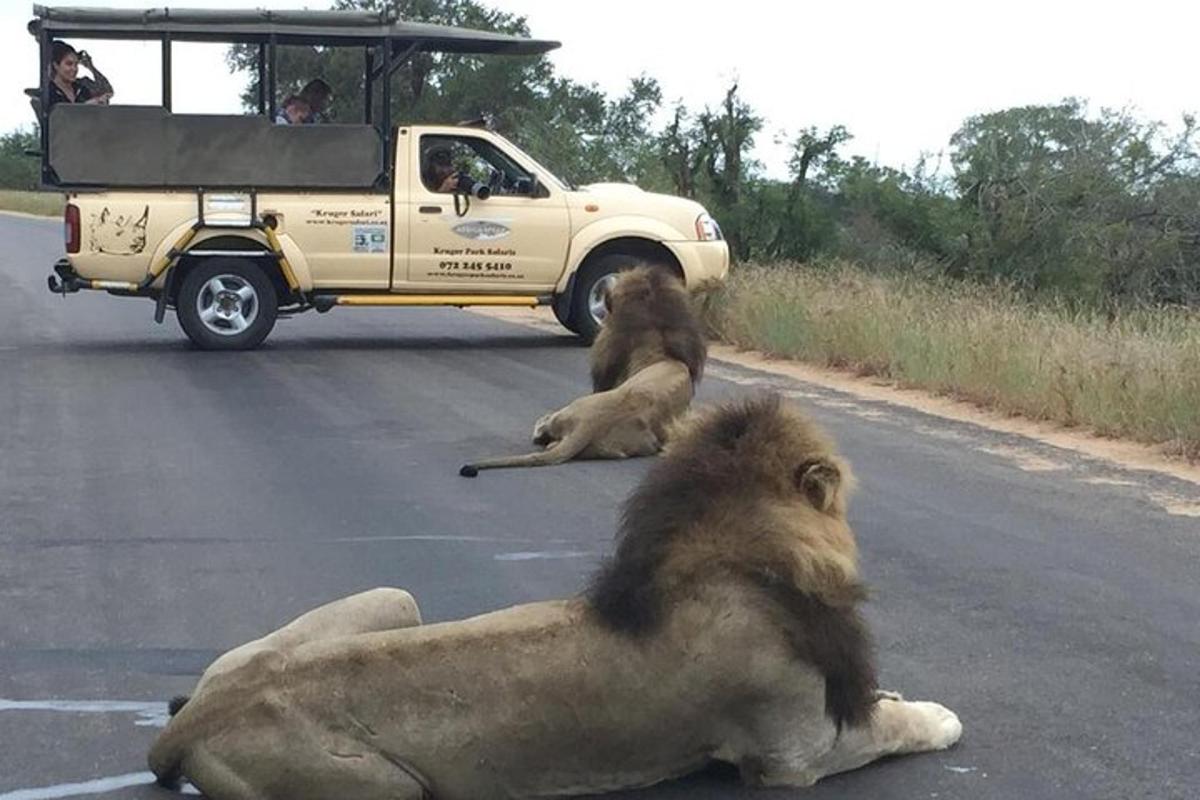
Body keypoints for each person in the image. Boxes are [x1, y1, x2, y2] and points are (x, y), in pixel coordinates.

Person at [47, 40, 113, 108]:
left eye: (76, 64)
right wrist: (84, 106)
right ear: (56, 65)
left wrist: (91, 67)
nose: (74, 69)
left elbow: (107, 92)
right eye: (69, 64)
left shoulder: (82, 86)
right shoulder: (48, 91)